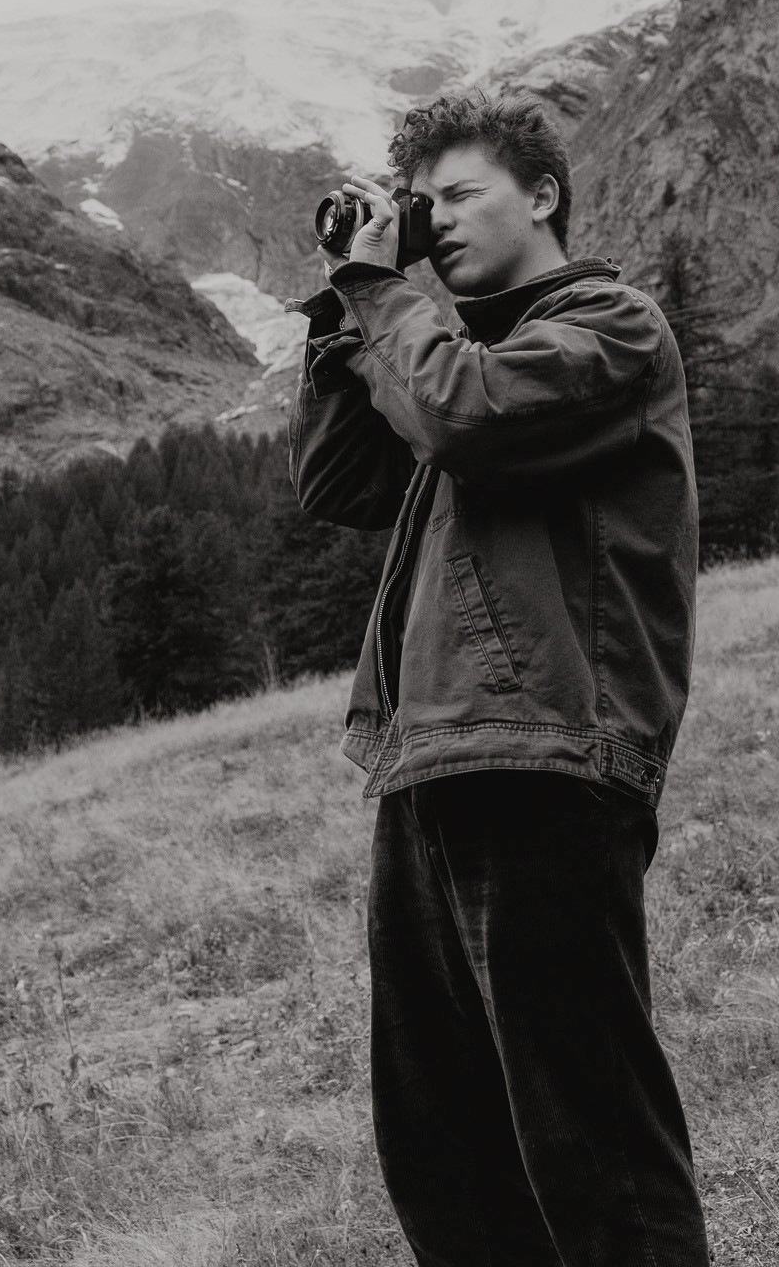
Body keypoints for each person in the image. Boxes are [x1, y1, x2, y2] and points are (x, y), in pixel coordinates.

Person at [289, 89, 710, 1267]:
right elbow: (337, 484)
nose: (437, 220)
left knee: (587, 1122)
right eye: (421, 203)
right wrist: (345, 303)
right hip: (429, 756)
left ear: (543, 193)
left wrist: (384, 295)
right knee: (446, 1140)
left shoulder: (609, 327)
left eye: (459, 194)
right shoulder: (440, 355)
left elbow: (463, 418)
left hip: (549, 749)